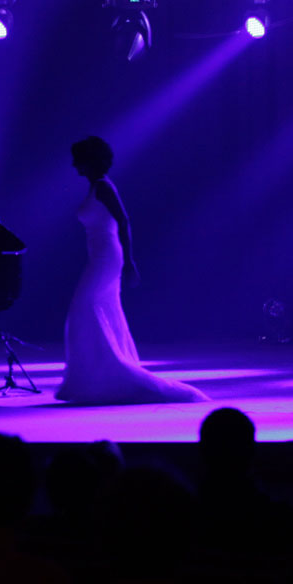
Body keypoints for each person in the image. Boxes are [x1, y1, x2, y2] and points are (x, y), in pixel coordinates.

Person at [55, 136, 206, 405]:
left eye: (78, 159)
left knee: (84, 307)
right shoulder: (95, 187)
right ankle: (94, 379)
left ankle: (106, 375)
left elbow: (124, 221)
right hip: (98, 255)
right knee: (96, 310)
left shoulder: (103, 187)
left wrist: (130, 261)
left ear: (89, 161)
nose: (74, 164)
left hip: (107, 257)